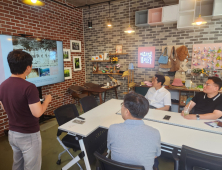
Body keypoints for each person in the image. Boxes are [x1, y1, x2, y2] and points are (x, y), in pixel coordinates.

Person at [0, 50, 52, 170]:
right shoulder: (29, 87)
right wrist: (47, 100)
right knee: (32, 167)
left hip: (13, 134)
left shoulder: (2, 85)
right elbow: (37, 113)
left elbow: (4, 107)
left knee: (17, 165)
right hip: (29, 135)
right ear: (28, 68)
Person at [107, 92, 161, 170]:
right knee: (155, 162)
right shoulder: (155, 133)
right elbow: (156, 155)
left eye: (122, 105)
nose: (121, 107)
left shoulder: (113, 129)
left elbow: (111, 148)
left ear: (127, 111)